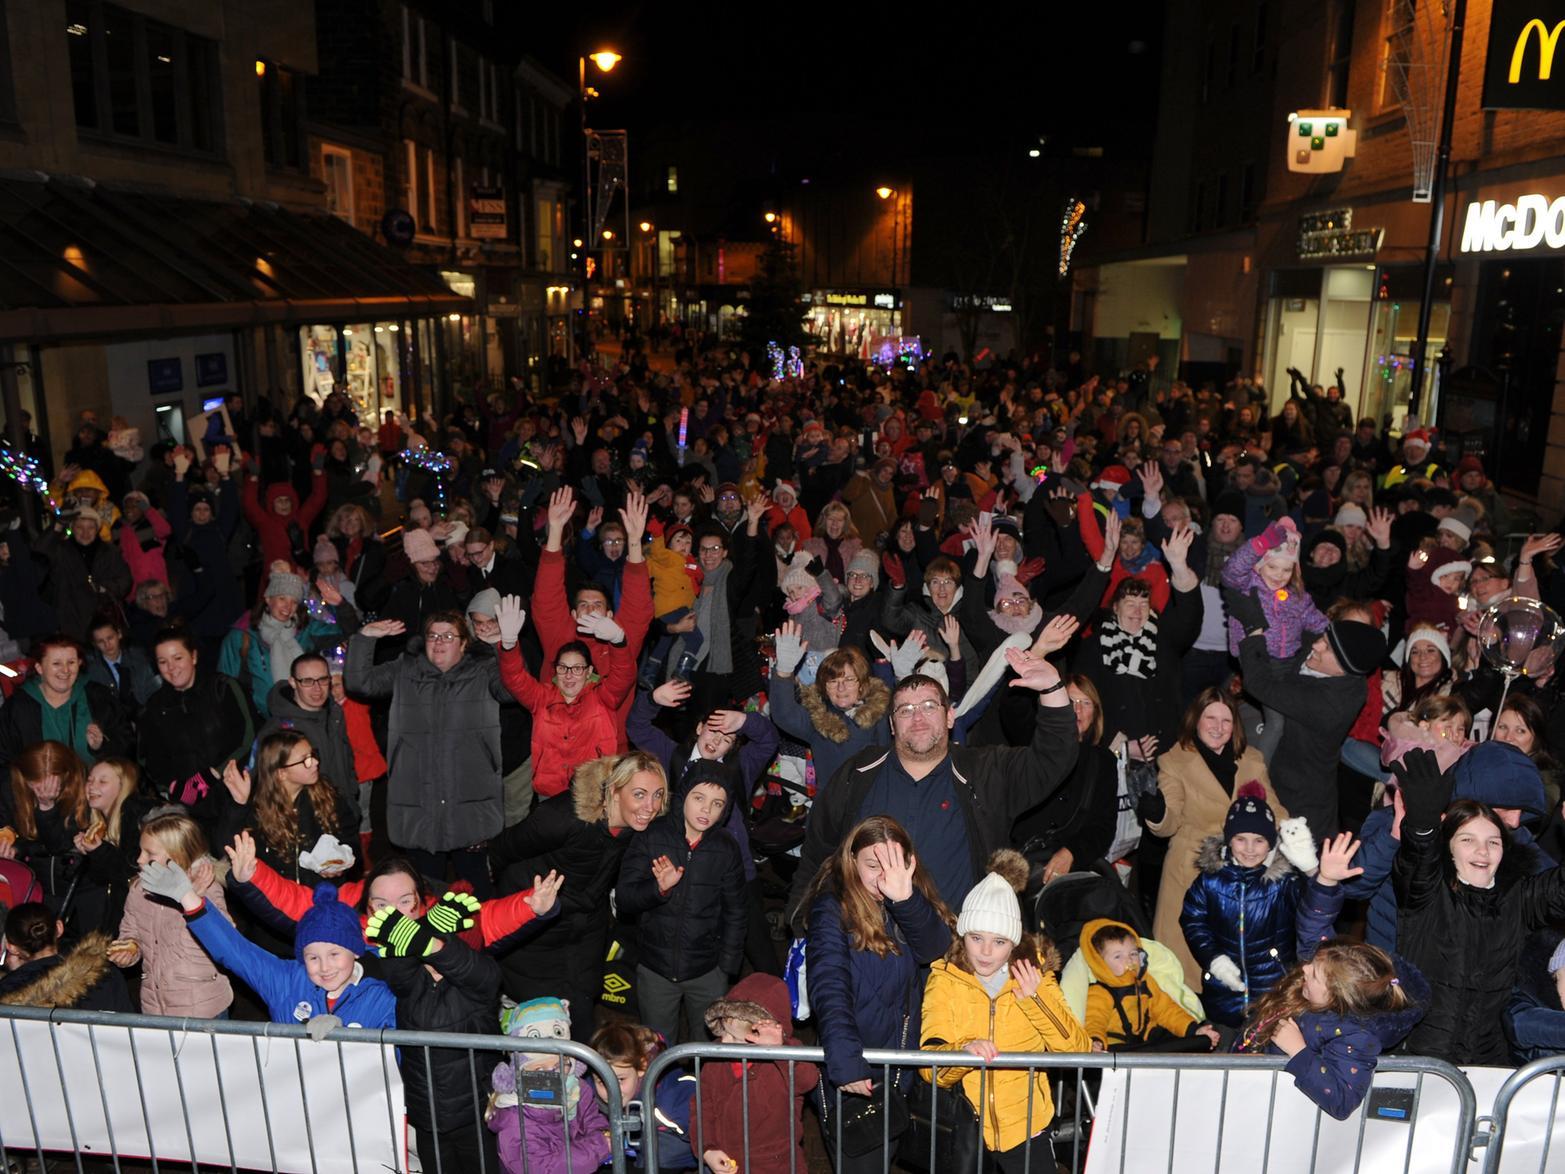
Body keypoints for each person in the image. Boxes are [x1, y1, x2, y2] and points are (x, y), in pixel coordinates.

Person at [788, 647, 1078, 918]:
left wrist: (1052, 689)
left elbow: (1051, 761)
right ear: (891, 725)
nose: (918, 718)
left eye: (929, 706)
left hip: (959, 951)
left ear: (950, 715)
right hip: (869, 945)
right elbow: (817, 853)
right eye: (905, 710)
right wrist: (801, 921)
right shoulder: (860, 772)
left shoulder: (986, 771)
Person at [920, 851, 1093, 1173]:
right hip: (965, 1130)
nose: (985, 952)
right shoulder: (944, 979)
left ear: (1013, 943)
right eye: (976, 938)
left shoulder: (1035, 975)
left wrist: (1035, 999)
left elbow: (1077, 1051)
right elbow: (930, 1069)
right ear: (963, 935)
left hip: (1026, 1129)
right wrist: (963, 1053)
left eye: (999, 941)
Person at [1235, 833, 1428, 1120]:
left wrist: (1298, 1051)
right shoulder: (1328, 968)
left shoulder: (1356, 1038)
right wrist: (1326, 880)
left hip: (1270, 1112)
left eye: (1314, 975)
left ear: (1338, 997)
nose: (1304, 968)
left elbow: (1342, 1100)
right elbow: (1314, 925)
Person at [1393, 749, 1565, 1065]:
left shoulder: (1519, 899)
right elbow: (1417, 862)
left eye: (1494, 842)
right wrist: (1421, 825)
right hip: (1420, 1061)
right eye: (1468, 840)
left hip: (1487, 1066)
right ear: (1449, 846)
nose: (1482, 851)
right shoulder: (1428, 895)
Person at [802, 817, 952, 1172]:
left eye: (894, 864)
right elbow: (829, 987)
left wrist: (906, 900)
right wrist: (847, 1062)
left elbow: (934, 948)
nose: (883, 876)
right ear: (850, 860)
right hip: (859, 1070)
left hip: (898, 1072)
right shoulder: (832, 909)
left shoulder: (905, 898)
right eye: (872, 865)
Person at [487, 751, 668, 1040]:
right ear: (614, 791)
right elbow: (501, 852)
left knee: (581, 1015)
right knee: (538, 1026)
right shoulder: (564, 818)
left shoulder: (638, 828)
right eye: (640, 794)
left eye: (658, 795)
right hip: (536, 931)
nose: (651, 806)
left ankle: (579, 1082)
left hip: (584, 933)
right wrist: (525, 909)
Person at [345, 610, 511, 894]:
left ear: (463, 643)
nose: (439, 642)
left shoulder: (483, 671)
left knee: (478, 893)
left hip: (470, 801)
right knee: (424, 892)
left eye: (448, 636)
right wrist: (364, 639)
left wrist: (503, 648)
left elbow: (513, 690)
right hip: (418, 800)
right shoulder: (405, 670)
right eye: (433, 635)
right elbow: (360, 683)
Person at [1141, 689, 1288, 987]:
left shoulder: (1252, 759)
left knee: (1236, 968)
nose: (1218, 727)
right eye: (1210, 717)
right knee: (1186, 972)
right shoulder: (1174, 761)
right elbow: (1170, 820)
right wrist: (1156, 814)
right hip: (1192, 871)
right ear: (1195, 720)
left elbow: (1272, 809)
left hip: (1244, 870)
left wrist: (1296, 838)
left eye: (1226, 719)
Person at [147, 864, 395, 1031]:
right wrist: (187, 898)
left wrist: (344, 1041)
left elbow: (403, 1063)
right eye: (312, 957)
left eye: (334, 954)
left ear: (355, 950)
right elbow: (236, 952)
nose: (324, 967)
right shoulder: (287, 981)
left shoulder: (383, 994)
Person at [360, 890, 505, 1174]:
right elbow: (397, 971)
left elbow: (473, 970)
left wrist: (432, 943)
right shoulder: (413, 985)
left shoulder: (479, 983)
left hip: (474, 1116)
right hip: (427, 1118)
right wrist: (422, 933)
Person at [1229, 599, 1387, 841]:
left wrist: (1253, 631)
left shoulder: (1332, 704)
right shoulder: (1326, 661)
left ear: (1342, 670)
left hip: (1301, 805)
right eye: (1324, 637)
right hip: (1284, 782)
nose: (1316, 645)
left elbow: (1261, 685)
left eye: (1327, 648)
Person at [616, 759, 745, 1043]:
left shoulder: (726, 849)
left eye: (717, 804)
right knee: (658, 1048)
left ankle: (707, 1090)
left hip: (707, 970)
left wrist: (726, 968)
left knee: (710, 1050)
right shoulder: (652, 836)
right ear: (684, 795)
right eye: (699, 798)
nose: (706, 810)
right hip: (655, 969)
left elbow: (736, 912)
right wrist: (658, 889)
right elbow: (625, 899)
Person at [1179, 782, 1319, 1026]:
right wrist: (1213, 958)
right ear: (1229, 840)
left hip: (1274, 993)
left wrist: (1310, 871)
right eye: (1241, 839)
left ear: (1272, 843)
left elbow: (1314, 907)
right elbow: (1193, 920)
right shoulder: (1211, 880)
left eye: (1259, 840)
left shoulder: (1283, 881)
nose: (1250, 849)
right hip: (1222, 992)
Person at [496, 597, 635, 802]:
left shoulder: (603, 697)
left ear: (588, 672)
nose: (569, 675)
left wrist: (618, 641)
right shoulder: (541, 698)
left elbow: (624, 674)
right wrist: (508, 645)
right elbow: (514, 678)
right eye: (563, 668)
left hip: (593, 792)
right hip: (549, 793)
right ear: (556, 670)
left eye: (577, 668)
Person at [109, 807, 234, 1017]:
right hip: (156, 1007)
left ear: (176, 856)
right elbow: (132, 932)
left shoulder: (207, 888)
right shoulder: (140, 890)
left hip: (202, 1008)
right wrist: (130, 950)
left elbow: (218, 945)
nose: (139, 859)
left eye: (149, 853)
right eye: (141, 851)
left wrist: (192, 899)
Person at [697, 974, 820, 1174]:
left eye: (734, 1037)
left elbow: (807, 1080)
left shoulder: (788, 1055)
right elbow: (703, 1107)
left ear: (759, 1036)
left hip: (777, 1164)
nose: (724, 1042)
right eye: (723, 1032)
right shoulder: (715, 1060)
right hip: (728, 1161)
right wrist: (707, 1148)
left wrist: (779, 1052)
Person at [138, 628, 254, 836]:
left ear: (193, 656)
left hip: (232, 795)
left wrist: (211, 776)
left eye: (177, 658)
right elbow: (149, 757)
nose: (171, 668)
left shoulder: (223, 688)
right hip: (186, 807)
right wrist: (173, 787)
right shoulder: (154, 707)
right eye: (163, 662)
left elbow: (247, 737)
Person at [1011, 674, 1120, 886]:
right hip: (1018, 863)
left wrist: (1071, 853)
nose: (1077, 710)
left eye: (1085, 703)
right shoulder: (1034, 745)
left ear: (1095, 713)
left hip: (1069, 872)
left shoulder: (1103, 762)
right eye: (1070, 701)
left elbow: (1103, 827)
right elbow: (1014, 708)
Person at [216, 730, 356, 887]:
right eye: (306, 760)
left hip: (325, 895)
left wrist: (341, 863)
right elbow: (229, 850)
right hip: (281, 900)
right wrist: (238, 804)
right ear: (281, 773)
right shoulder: (257, 810)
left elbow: (350, 834)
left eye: (313, 754)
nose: (315, 762)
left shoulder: (327, 795)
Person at [220, 569, 354, 719]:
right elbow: (224, 687)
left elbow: (349, 633)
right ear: (268, 599)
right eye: (282, 598)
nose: (287, 607)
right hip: (260, 722)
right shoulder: (241, 636)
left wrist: (341, 605)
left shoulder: (306, 630)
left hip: (305, 717)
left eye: (294, 602)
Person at [0, 741, 107, 929]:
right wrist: (14, 848)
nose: (42, 789)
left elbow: (59, 845)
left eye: (50, 782)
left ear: (66, 775)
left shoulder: (82, 790)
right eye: (35, 783)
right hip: (36, 882)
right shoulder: (12, 787)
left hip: (80, 883)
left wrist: (47, 808)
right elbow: (13, 830)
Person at [768, 638, 891, 797]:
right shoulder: (820, 718)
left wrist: (903, 674)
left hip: (873, 804)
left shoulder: (880, 713)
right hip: (831, 809)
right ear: (824, 688)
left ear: (861, 684)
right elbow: (784, 715)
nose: (841, 688)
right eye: (833, 681)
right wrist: (783, 673)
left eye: (849, 679)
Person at [1078, 920, 1218, 1051]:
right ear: (1100, 963)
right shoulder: (1099, 992)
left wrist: (1193, 1030)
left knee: (1181, 1039)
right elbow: (1094, 1020)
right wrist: (1095, 1040)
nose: (1129, 960)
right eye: (1118, 956)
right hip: (1115, 1043)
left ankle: (1199, 1036)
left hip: (1145, 1037)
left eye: (1133, 953)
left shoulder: (1146, 982)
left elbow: (1166, 1010)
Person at [257, 652, 360, 825]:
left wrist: (351, 789)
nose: (317, 688)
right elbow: (267, 781)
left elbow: (346, 756)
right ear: (293, 683)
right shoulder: (281, 728)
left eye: (323, 679)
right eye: (307, 681)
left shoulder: (335, 713)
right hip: (309, 821)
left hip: (344, 812)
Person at [0, 633, 130, 768]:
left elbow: (126, 744)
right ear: (40, 668)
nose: (65, 670)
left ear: (79, 664)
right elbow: (4, 760)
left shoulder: (99, 698)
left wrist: (102, 745)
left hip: (92, 786)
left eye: (71, 662)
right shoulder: (17, 708)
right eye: (56, 663)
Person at [589, 1023, 699, 1171]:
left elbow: (703, 1131)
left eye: (620, 1080)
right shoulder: (588, 1090)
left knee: (661, 1153)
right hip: (624, 1146)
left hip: (664, 1154)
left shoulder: (671, 1098)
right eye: (601, 1081)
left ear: (641, 1067)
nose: (611, 1090)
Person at [0, 901, 134, 1011]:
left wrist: (14, 974)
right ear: (59, 928)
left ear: (11, 947)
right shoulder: (105, 975)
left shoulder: (7, 993)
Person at [85, 615, 160, 713]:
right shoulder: (92, 671)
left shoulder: (139, 660)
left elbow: (154, 693)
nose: (107, 645)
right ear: (95, 644)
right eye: (101, 641)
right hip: (112, 722)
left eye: (110, 638)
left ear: (119, 634)